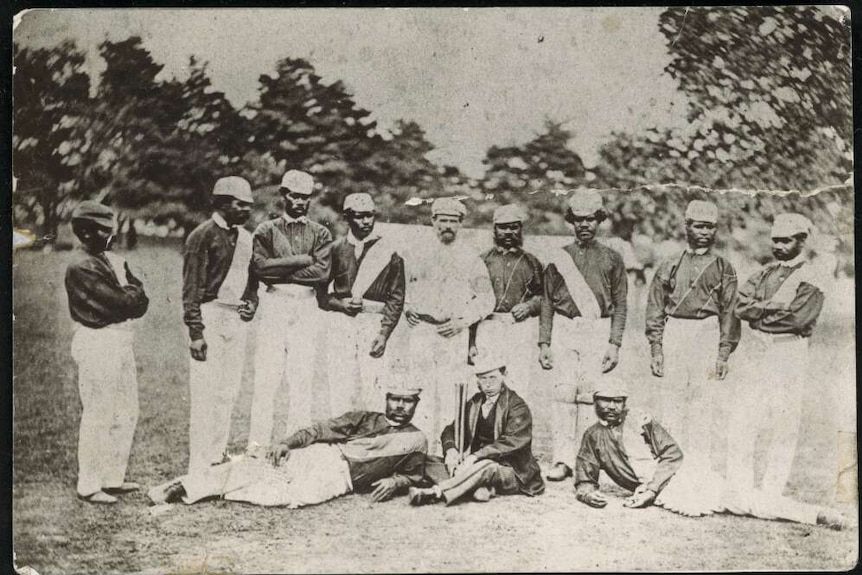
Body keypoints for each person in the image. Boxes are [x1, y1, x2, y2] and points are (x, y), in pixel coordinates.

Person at [573, 385, 848, 530]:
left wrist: (652, 488)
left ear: (625, 403)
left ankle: (816, 515)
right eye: (604, 400)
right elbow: (585, 477)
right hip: (659, 491)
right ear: (595, 402)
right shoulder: (593, 436)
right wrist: (588, 495)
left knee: (743, 499)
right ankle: (814, 515)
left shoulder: (641, 421)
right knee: (739, 502)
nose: (610, 407)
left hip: (680, 478)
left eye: (617, 400)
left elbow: (673, 455)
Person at [148, 376, 427, 508]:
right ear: (387, 398)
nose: (401, 406)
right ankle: (183, 486)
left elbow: (414, 474)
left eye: (408, 400)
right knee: (259, 466)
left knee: (282, 497)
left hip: (341, 480)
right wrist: (287, 443)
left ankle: (207, 489)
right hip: (322, 456)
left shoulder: (416, 439)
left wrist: (396, 482)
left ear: (416, 403)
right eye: (396, 398)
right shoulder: (364, 418)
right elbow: (320, 430)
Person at [727, 213, 825, 497]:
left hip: (789, 350)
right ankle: (739, 489)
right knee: (745, 416)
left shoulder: (811, 277)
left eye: (787, 240)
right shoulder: (764, 272)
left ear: (802, 241)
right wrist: (770, 308)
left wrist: (758, 313)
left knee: (784, 422)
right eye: (776, 240)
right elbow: (740, 306)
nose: (779, 246)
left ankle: (771, 491)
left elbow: (796, 319)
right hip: (759, 350)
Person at [539, 190, 628, 481]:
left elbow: (621, 303)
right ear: (571, 222)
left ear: (599, 220)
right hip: (566, 328)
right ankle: (562, 459)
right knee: (563, 395)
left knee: (591, 397)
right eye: (578, 220)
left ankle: (586, 459)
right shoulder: (558, 258)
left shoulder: (613, 258)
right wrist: (545, 342)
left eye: (590, 219)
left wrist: (614, 343)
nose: (584, 225)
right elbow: (548, 301)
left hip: (597, 330)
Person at [644, 200, 740, 467]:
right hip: (675, 330)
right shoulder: (670, 263)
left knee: (703, 401)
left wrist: (723, 353)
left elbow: (730, 313)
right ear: (687, 226)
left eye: (710, 227)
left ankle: (698, 466)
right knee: (672, 398)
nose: (705, 232)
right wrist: (656, 348)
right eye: (699, 226)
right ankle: (671, 463)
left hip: (707, 332)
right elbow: (655, 307)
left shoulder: (724, 267)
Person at [65, 200, 149, 504]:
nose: (110, 237)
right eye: (103, 231)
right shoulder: (81, 266)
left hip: (120, 338)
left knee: (127, 410)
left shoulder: (110, 259)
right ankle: (89, 484)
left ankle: (112, 477)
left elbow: (141, 300)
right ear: (85, 233)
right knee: (99, 411)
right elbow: (124, 303)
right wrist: (130, 294)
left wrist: (131, 294)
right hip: (98, 339)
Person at [243, 170, 333, 453]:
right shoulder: (266, 230)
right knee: (267, 376)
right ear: (284, 196)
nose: (299, 201)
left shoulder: (320, 232)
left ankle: (296, 445)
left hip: (305, 304)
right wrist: (302, 260)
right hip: (275, 302)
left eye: (304, 197)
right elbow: (260, 268)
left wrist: (282, 268)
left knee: (301, 376)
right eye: (294, 195)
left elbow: (321, 273)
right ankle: (256, 446)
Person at [403, 197, 495, 454]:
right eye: (442, 220)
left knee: (450, 390)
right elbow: (405, 288)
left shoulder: (470, 258)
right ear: (433, 221)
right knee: (419, 387)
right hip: (422, 330)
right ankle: (420, 449)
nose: (447, 226)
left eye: (453, 221)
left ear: (460, 224)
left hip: (453, 332)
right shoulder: (418, 253)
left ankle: (449, 450)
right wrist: (407, 308)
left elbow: (487, 299)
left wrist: (461, 322)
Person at [182, 176, 256, 474]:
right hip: (209, 315)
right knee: (205, 392)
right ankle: (199, 461)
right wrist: (196, 333)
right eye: (240, 204)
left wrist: (252, 302)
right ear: (223, 204)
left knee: (229, 391)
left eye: (248, 205)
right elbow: (191, 289)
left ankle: (216, 454)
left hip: (235, 318)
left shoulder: (247, 239)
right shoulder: (201, 236)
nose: (246, 210)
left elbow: (252, 280)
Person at [408, 353, 544, 506]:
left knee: (486, 466)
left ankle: (436, 492)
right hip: (474, 466)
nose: (487, 384)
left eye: (492, 378)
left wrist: (474, 457)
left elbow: (511, 442)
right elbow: (452, 429)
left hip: (512, 471)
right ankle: (475, 487)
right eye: (482, 378)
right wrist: (451, 450)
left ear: (504, 375)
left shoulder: (517, 406)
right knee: (427, 460)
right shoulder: (475, 402)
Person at [317, 192, 405, 414]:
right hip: (341, 321)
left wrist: (384, 333)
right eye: (359, 216)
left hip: (373, 322)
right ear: (347, 218)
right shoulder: (336, 249)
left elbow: (396, 296)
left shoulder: (390, 251)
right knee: (340, 381)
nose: (366, 222)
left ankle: (372, 438)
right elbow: (320, 294)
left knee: (375, 382)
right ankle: (339, 433)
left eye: (370, 216)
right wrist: (341, 305)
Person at [468, 204, 543, 399]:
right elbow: (469, 301)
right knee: (486, 381)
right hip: (487, 328)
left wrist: (530, 306)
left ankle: (513, 428)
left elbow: (546, 297)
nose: (509, 231)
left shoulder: (532, 262)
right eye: (503, 227)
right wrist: (471, 342)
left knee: (518, 382)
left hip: (518, 328)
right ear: (494, 229)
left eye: (514, 226)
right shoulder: (481, 260)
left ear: (520, 229)